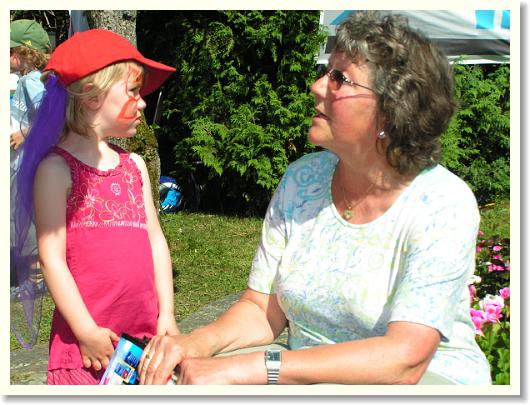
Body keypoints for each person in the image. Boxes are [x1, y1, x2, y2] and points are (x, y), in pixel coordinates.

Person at [138, 11, 491, 385]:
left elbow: (405, 360)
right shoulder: (303, 179)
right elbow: (262, 308)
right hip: (306, 375)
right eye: (327, 72)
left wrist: (253, 368)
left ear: (391, 110)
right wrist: (196, 343)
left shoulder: (443, 203)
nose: (317, 86)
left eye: (339, 78)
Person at [12, 28, 180, 384]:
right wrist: (86, 331)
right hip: (84, 351)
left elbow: (156, 243)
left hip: (142, 346)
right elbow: (52, 259)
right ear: (91, 96)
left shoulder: (134, 166)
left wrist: (167, 313)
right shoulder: (56, 170)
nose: (143, 102)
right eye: (133, 91)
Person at [10, 20, 51, 347]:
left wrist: (24, 134)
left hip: (28, 164)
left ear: (23, 53)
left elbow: (49, 116)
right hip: (22, 164)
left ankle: (35, 280)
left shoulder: (32, 81)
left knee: (26, 219)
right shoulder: (28, 80)